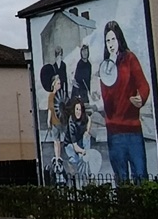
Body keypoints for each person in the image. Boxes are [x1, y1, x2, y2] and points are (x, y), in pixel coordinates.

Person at [98, 20, 150, 184]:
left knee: (140, 175)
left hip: (133, 128)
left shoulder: (129, 59)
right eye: (108, 41)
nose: (111, 44)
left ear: (119, 39)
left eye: (113, 39)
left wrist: (141, 98)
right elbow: (108, 103)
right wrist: (110, 70)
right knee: (121, 178)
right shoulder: (105, 67)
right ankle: (125, 209)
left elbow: (143, 84)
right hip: (115, 132)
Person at [63, 97, 98, 185]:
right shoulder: (71, 123)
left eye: (80, 109)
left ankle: (88, 177)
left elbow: (89, 119)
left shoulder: (84, 117)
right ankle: (71, 165)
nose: (78, 111)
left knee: (87, 138)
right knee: (77, 159)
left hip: (81, 140)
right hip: (71, 144)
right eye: (76, 109)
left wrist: (87, 130)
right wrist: (83, 152)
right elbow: (75, 146)